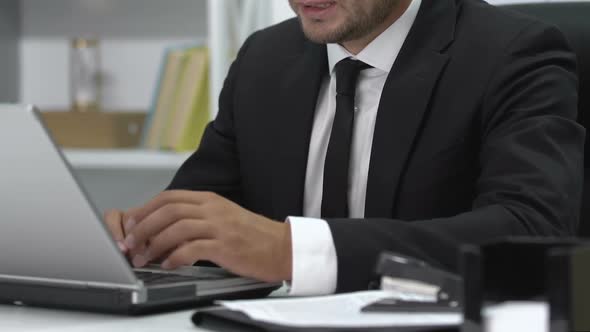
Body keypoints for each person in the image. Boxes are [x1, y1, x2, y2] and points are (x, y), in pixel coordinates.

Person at [105, 0, 585, 295]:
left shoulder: (514, 52)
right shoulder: (263, 58)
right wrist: (135, 237)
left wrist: (291, 251)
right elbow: (201, 216)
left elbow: (532, 232)